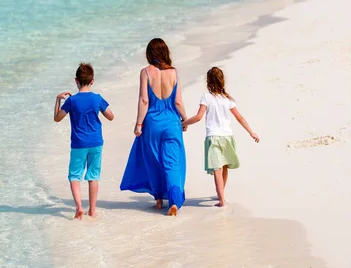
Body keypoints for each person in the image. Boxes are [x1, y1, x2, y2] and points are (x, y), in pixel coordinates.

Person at [120, 38, 187, 216]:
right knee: (172, 163)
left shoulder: (146, 72)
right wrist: (185, 119)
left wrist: (138, 124)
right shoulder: (174, 72)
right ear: (166, 52)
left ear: (150, 54)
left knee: (154, 161)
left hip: (152, 124)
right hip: (172, 123)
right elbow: (178, 101)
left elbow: (144, 100)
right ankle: (173, 203)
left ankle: (158, 199)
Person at [182, 66, 259, 207]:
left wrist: (184, 123)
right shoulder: (227, 99)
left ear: (208, 81)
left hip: (213, 137)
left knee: (217, 168)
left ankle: (221, 199)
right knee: (224, 167)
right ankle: (221, 194)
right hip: (227, 137)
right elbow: (239, 118)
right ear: (222, 80)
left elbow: (199, 117)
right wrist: (251, 132)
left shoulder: (206, 97)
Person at [54, 62, 114, 219]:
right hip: (96, 142)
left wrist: (58, 100)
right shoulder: (97, 98)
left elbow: (57, 118)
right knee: (93, 175)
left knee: (75, 175)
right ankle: (92, 210)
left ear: (76, 80)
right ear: (92, 81)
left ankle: (79, 207)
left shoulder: (72, 101)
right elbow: (111, 116)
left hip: (78, 144)